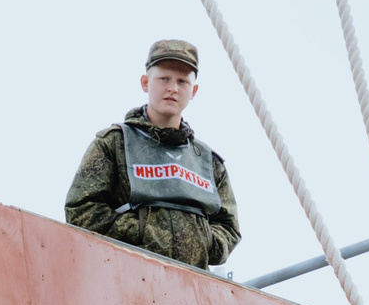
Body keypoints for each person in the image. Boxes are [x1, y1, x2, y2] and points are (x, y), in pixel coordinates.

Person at [64, 40, 241, 269]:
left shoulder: (208, 163)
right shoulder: (114, 143)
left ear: (194, 91)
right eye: (164, 79)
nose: (173, 88)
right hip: (123, 279)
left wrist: (200, 241)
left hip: (191, 288)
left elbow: (229, 228)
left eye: (182, 81)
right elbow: (81, 210)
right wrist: (143, 234)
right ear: (145, 83)